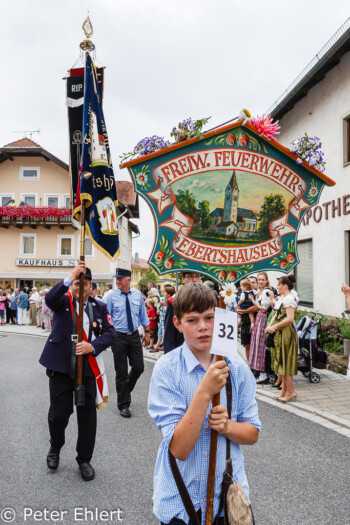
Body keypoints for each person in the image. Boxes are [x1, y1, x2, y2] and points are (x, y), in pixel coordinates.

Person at [148, 283, 260, 525]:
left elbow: (252, 433)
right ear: (177, 324)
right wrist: (204, 391)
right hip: (180, 499)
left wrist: (228, 427)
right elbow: (179, 449)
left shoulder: (237, 368)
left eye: (209, 317)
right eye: (192, 320)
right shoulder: (167, 369)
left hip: (227, 501)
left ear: (219, 318)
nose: (202, 327)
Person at [39, 262, 115, 481]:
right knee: (59, 414)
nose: (80, 290)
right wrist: (70, 276)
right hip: (61, 368)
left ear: (92, 288)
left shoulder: (99, 307)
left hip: (87, 370)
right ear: (71, 284)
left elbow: (110, 333)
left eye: (85, 285)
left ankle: (84, 459)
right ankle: (55, 447)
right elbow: (49, 299)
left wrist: (93, 346)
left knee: (87, 417)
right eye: (76, 284)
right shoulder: (62, 301)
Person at [106, 268, 150, 418]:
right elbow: (108, 317)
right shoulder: (111, 296)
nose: (117, 281)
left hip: (134, 336)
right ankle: (124, 405)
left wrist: (148, 332)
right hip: (118, 337)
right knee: (121, 372)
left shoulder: (137, 295)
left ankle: (125, 390)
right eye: (116, 279)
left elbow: (142, 314)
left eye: (120, 279)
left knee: (139, 367)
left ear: (128, 280)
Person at [265, 276, 298, 403]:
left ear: (285, 286)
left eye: (279, 285)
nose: (277, 287)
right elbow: (276, 314)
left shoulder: (290, 298)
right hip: (279, 332)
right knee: (279, 361)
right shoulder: (282, 298)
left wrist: (274, 326)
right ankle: (284, 390)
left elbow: (290, 318)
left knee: (285, 361)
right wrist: (269, 326)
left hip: (286, 333)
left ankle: (291, 391)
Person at [163, 272, 202, 354]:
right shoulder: (173, 301)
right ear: (183, 279)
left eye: (198, 276)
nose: (195, 280)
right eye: (190, 276)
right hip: (181, 349)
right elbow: (169, 333)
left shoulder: (207, 299)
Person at [248, 272, 273, 384]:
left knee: (261, 345)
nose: (261, 281)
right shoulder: (259, 292)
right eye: (259, 280)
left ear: (267, 281)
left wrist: (253, 302)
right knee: (256, 344)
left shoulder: (267, 292)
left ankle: (263, 374)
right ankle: (258, 371)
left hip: (263, 319)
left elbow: (263, 309)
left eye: (263, 279)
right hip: (259, 319)